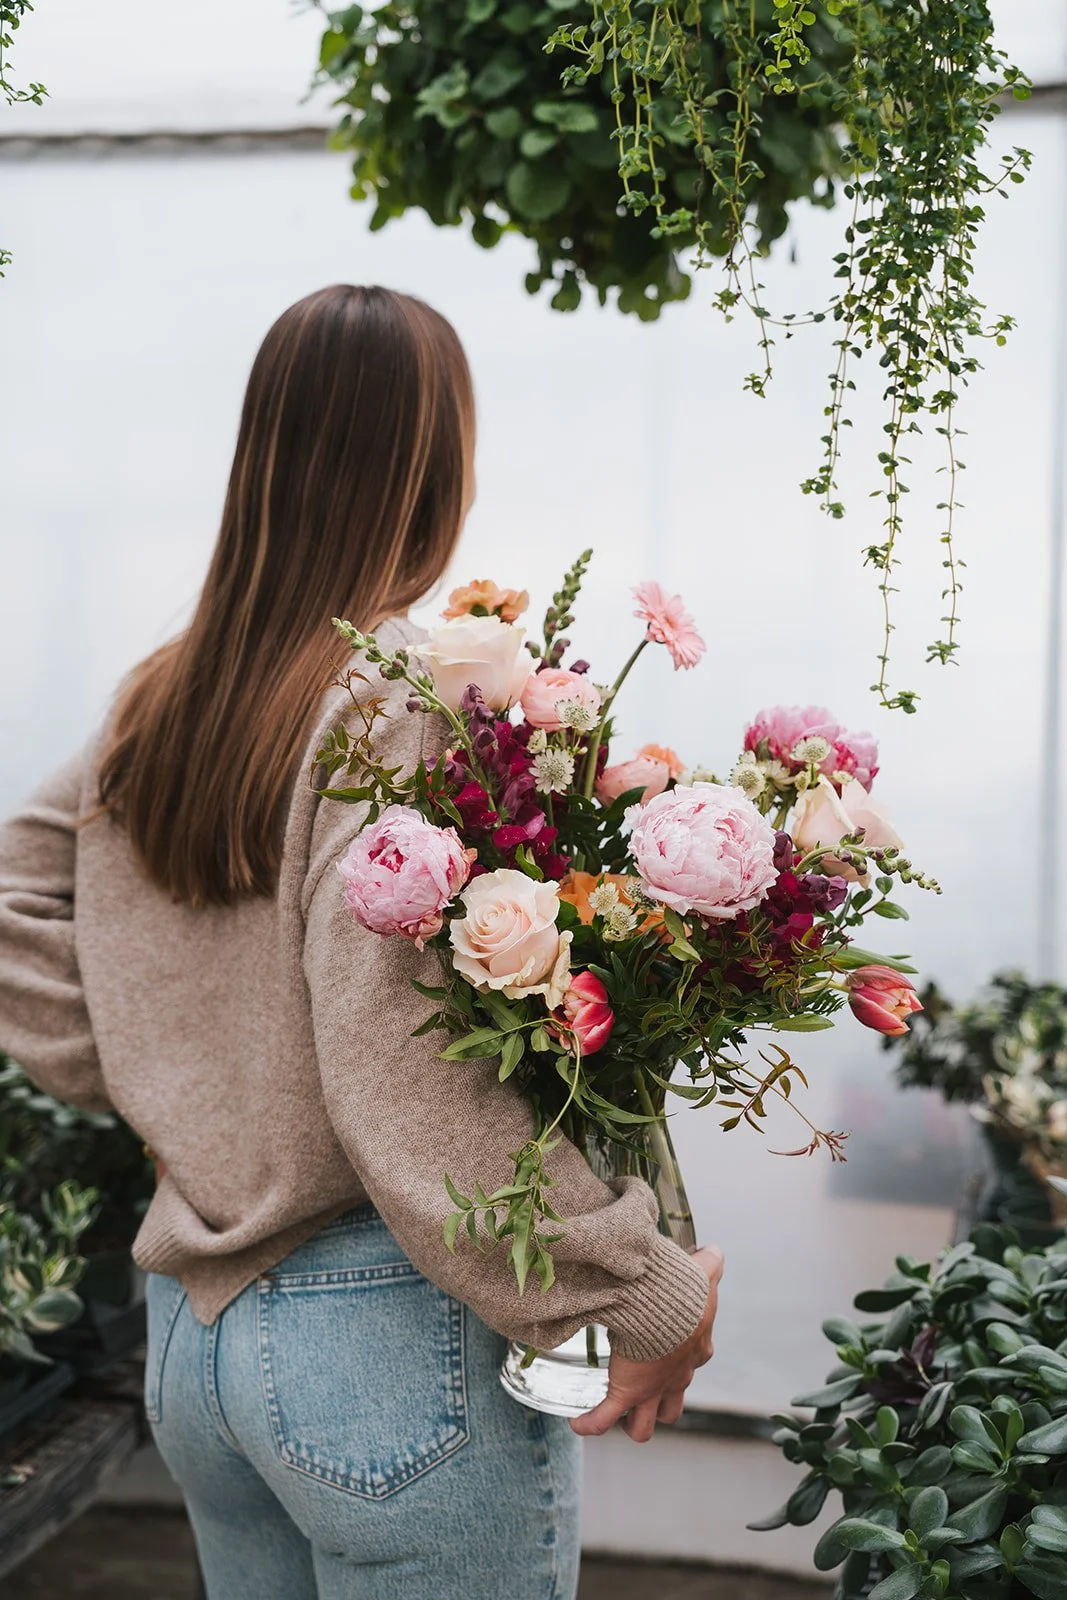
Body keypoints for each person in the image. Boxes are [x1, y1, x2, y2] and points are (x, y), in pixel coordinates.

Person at [0, 284, 724, 1600]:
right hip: (383, 1347)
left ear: (260, 453)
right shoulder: (400, 703)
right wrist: (641, 1288)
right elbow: (401, 1059)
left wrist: (157, 1082)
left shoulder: (163, 696)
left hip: (200, 1348)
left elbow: (14, 888)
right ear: (437, 465)